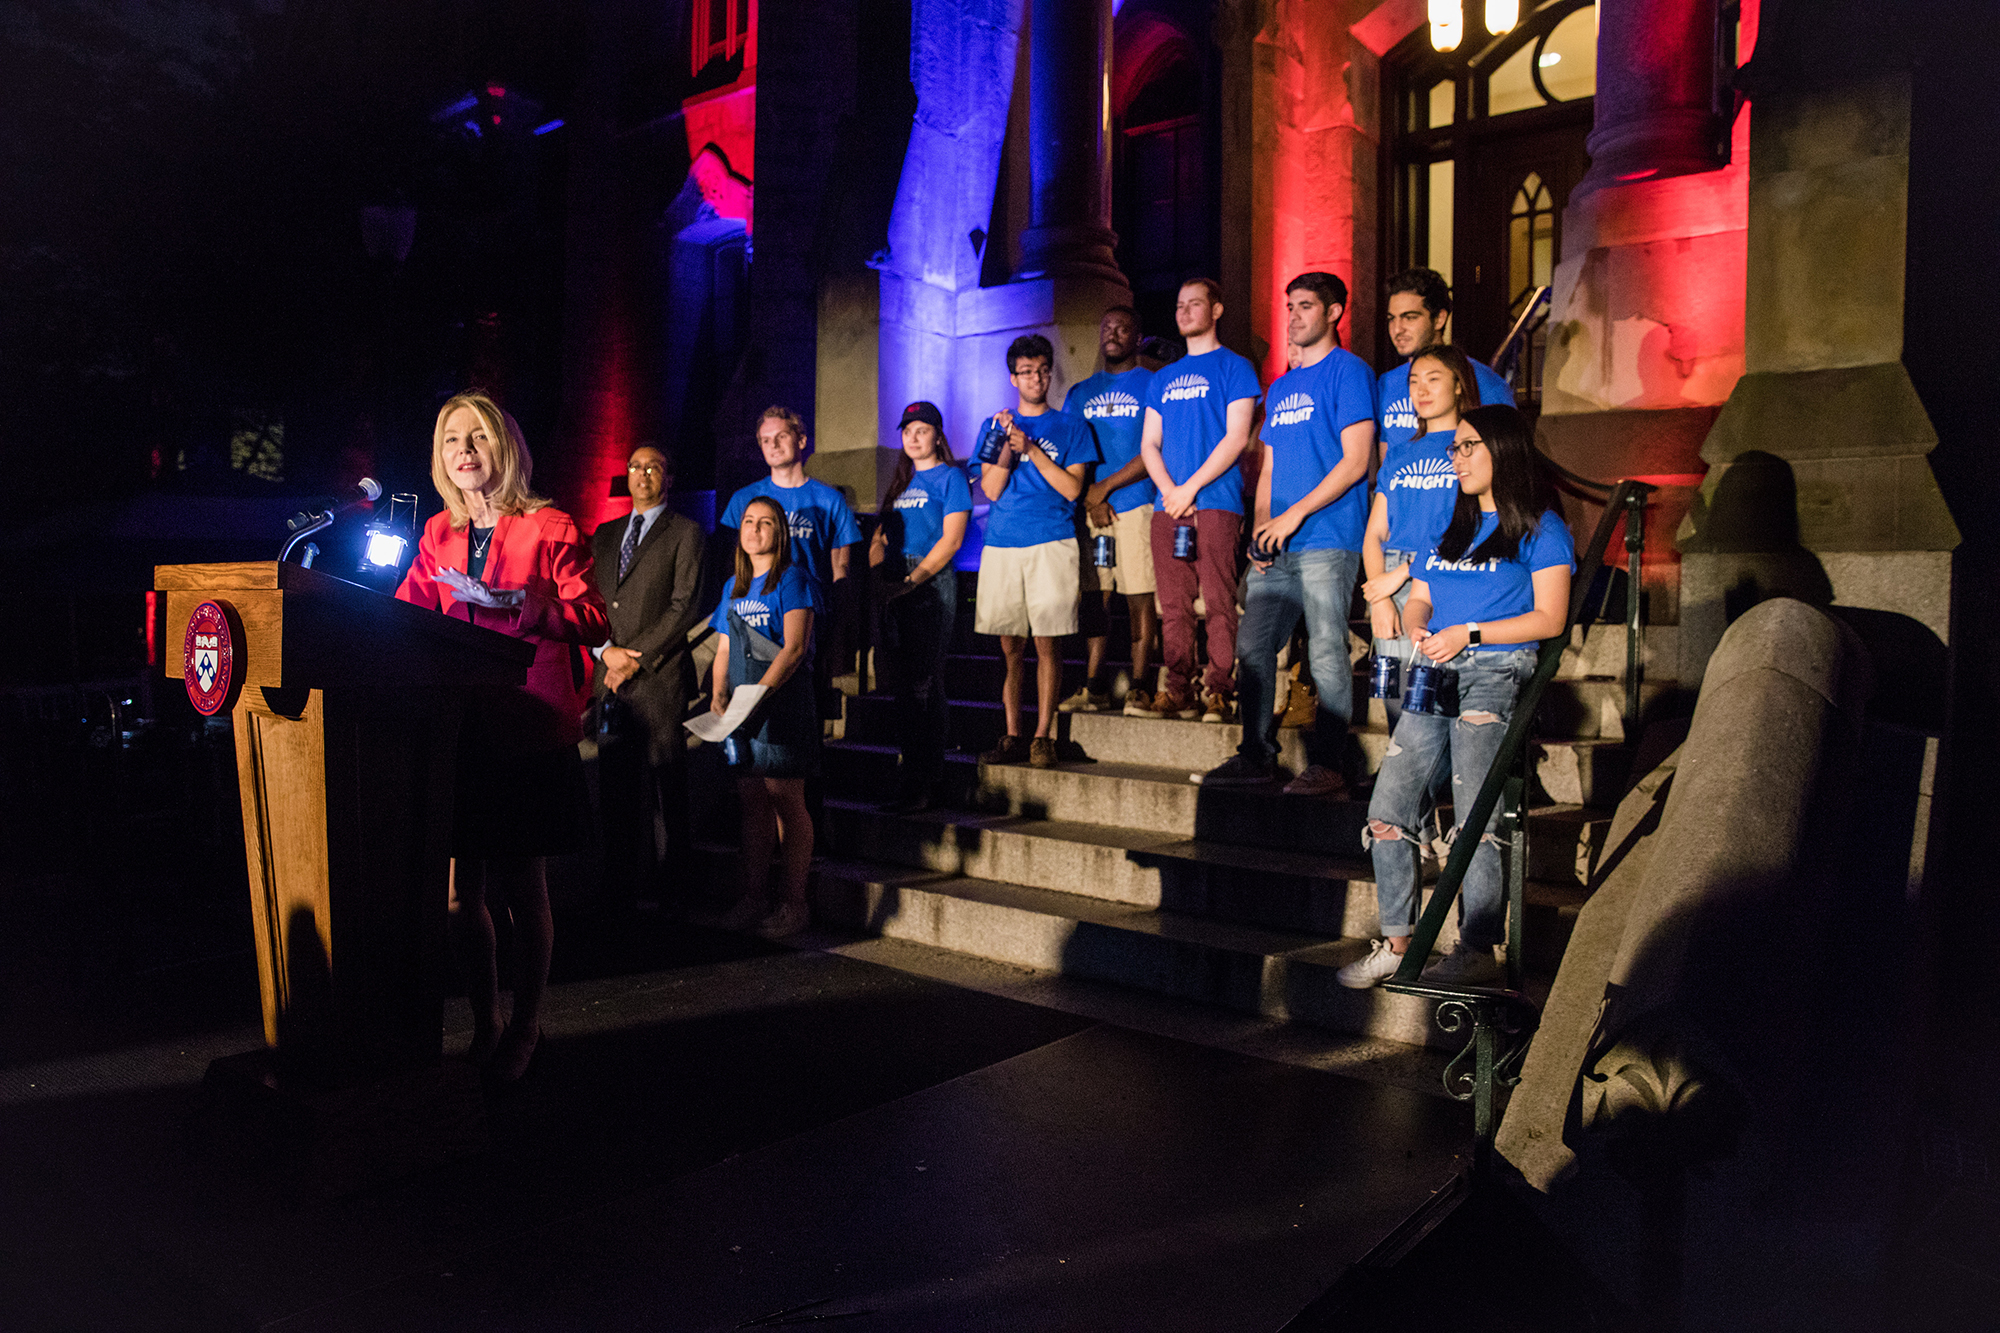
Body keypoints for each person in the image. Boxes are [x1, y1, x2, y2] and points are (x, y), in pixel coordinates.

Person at [395, 391, 610, 1084]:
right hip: (461, 729)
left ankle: (527, 1024)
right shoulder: (436, 535)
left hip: (528, 726)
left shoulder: (549, 525)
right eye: (452, 439)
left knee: (525, 891)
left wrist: (530, 605)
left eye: (478, 438)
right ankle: (486, 1020)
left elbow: (595, 619)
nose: (464, 450)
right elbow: (407, 615)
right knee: (460, 896)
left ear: (505, 448)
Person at [1336, 404, 1574, 991]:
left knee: (1475, 816)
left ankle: (1476, 945)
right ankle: (1399, 943)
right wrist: (1417, 623)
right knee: (1387, 810)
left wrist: (1469, 632)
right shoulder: (1453, 519)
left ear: (1504, 450)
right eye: (1455, 448)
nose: (1457, 457)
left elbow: (1550, 617)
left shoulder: (1541, 527)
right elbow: (1422, 592)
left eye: (1469, 446)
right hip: (1436, 667)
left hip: (1493, 670)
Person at [1196, 272, 1376, 794]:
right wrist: (1260, 532)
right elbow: (1269, 469)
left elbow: (1356, 461)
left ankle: (1329, 762)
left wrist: (1294, 516)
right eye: (1289, 306)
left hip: (1328, 536)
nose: (1293, 316)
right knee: (1253, 648)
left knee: (1324, 649)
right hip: (1278, 544)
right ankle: (1256, 755)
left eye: (1304, 306)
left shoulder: (1349, 373)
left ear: (1335, 312)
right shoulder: (1282, 386)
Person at [1131, 277, 1261, 723]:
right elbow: (1149, 444)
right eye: (1180, 304)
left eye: (1195, 303)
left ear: (1217, 310)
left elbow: (1237, 436)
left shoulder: (1235, 367)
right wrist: (1170, 490)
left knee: (1220, 602)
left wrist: (1190, 488)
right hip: (1168, 506)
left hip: (1216, 502)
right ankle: (1178, 689)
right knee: (1173, 605)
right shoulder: (1162, 378)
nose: (1184, 311)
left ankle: (1219, 690)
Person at [590, 443, 706, 913]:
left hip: (657, 678)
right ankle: (618, 886)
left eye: (653, 466)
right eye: (635, 467)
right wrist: (604, 652)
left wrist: (633, 659)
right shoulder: (604, 533)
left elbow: (685, 607)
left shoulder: (687, 532)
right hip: (609, 679)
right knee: (614, 786)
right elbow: (593, 603)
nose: (642, 474)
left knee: (665, 784)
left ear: (668, 477)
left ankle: (672, 884)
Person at [974, 333, 1098, 768]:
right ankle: (1012, 733)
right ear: (1013, 377)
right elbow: (990, 488)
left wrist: (1032, 450)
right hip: (1004, 542)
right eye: (1026, 372)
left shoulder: (1071, 426)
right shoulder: (994, 426)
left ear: (1050, 373)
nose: (1036, 379)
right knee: (1010, 644)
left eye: (1043, 370)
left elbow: (1072, 488)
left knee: (1047, 641)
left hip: (1052, 538)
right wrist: (1009, 448)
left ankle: (1042, 735)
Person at [709, 496, 821, 939]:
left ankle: (794, 903)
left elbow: (793, 647)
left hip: (780, 707)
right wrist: (720, 693)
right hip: (742, 712)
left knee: (786, 802)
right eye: (749, 521)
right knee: (752, 801)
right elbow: (722, 647)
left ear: (781, 532)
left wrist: (757, 696)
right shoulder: (733, 585)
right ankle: (753, 898)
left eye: (766, 522)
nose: (755, 529)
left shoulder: (792, 578)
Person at [1363, 343, 1482, 732]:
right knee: (1395, 690)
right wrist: (1380, 597)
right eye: (1414, 382)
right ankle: (1413, 778)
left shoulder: (1471, 448)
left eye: (1434, 380)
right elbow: (1375, 531)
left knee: (1437, 687)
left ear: (1459, 385)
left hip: (1444, 570)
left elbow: (1471, 524)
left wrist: (1400, 576)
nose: (1421, 391)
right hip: (1391, 571)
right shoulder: (1398, 453)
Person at [721, 407, 863, 714]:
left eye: (781, 436)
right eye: (765, 440)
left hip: (808, 620)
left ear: (801, 440)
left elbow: (840, 568)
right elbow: (735, 563)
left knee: (804, 708)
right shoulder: (744, 499)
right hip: (755, 617)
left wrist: (838, 630)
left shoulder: (829, 500)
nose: (772, 445)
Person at [868, 401, 971, 811]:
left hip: (928, 582)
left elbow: (952, 540)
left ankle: (927, 779)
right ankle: (911, 773)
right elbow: (878, 538)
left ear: (938, 435)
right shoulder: (900, 485)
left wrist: (910, 582)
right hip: (896, 582)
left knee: (924, 683)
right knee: (903, 687)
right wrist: (880, 579)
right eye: (907, 429)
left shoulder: (950, 478)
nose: (913, 436)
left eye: (922, 429)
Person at [1060, 306, 1159, 715]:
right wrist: (1089, 497)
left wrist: (1106, 488)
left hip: (1137, 505)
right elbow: (1069, 450)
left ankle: (1138, 686)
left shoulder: (1153, 384)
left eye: (1122, 328)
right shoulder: (1080, 393)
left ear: (1137, 337)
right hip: (1092, 512)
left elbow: (1153, 448)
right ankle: (1094, 685)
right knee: (1095, 600)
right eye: (1106, 327)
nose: (1112, 333)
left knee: (1139, 597)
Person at [1377, 268, 1515, 449]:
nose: (1397, 329)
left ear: (1439, 319)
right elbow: (1387, 459)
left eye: (1409, 318)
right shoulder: (1388, 382)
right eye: (1391, 319)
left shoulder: (1483, 381)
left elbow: (1506, 454)